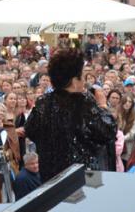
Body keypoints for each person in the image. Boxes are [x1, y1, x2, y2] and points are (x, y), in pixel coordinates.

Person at [20, 48, 117, 182]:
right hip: (83, 180)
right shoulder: (84, 102)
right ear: (74, 80)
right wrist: (103, 106)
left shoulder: (44, 102)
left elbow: (30, 130)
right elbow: (107, 131)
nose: (84, 80)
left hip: (51, 179)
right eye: (82, 76)